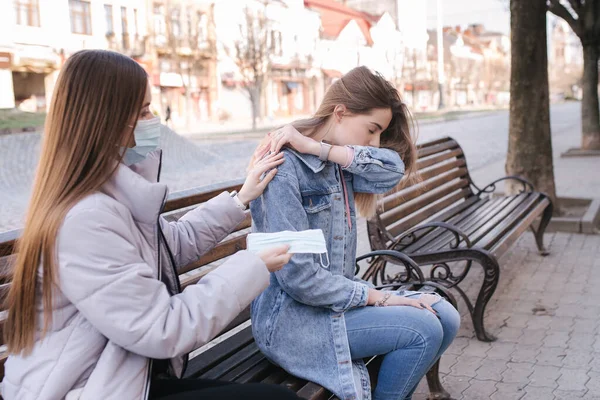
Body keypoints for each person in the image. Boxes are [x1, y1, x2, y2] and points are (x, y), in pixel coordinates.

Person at [1, 49, 301, 400]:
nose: (153, 119)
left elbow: (171, 243)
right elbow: (164, 328)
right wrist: (251, 265)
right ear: (105, 120)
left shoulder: (109, 195)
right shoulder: (86, 218)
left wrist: (240, 199)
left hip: (122, 378)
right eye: (143, 111)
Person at [249, 66, 461, 400]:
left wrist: (317, 147)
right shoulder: (284, 169)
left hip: (332, 304)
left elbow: (393, 167)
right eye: (372, 130)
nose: (374, 143)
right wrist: (378, 296)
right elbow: (298, 277)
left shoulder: (339, 162)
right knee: (421, 330)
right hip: (294, 322)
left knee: (445, 315)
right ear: (341, 112)